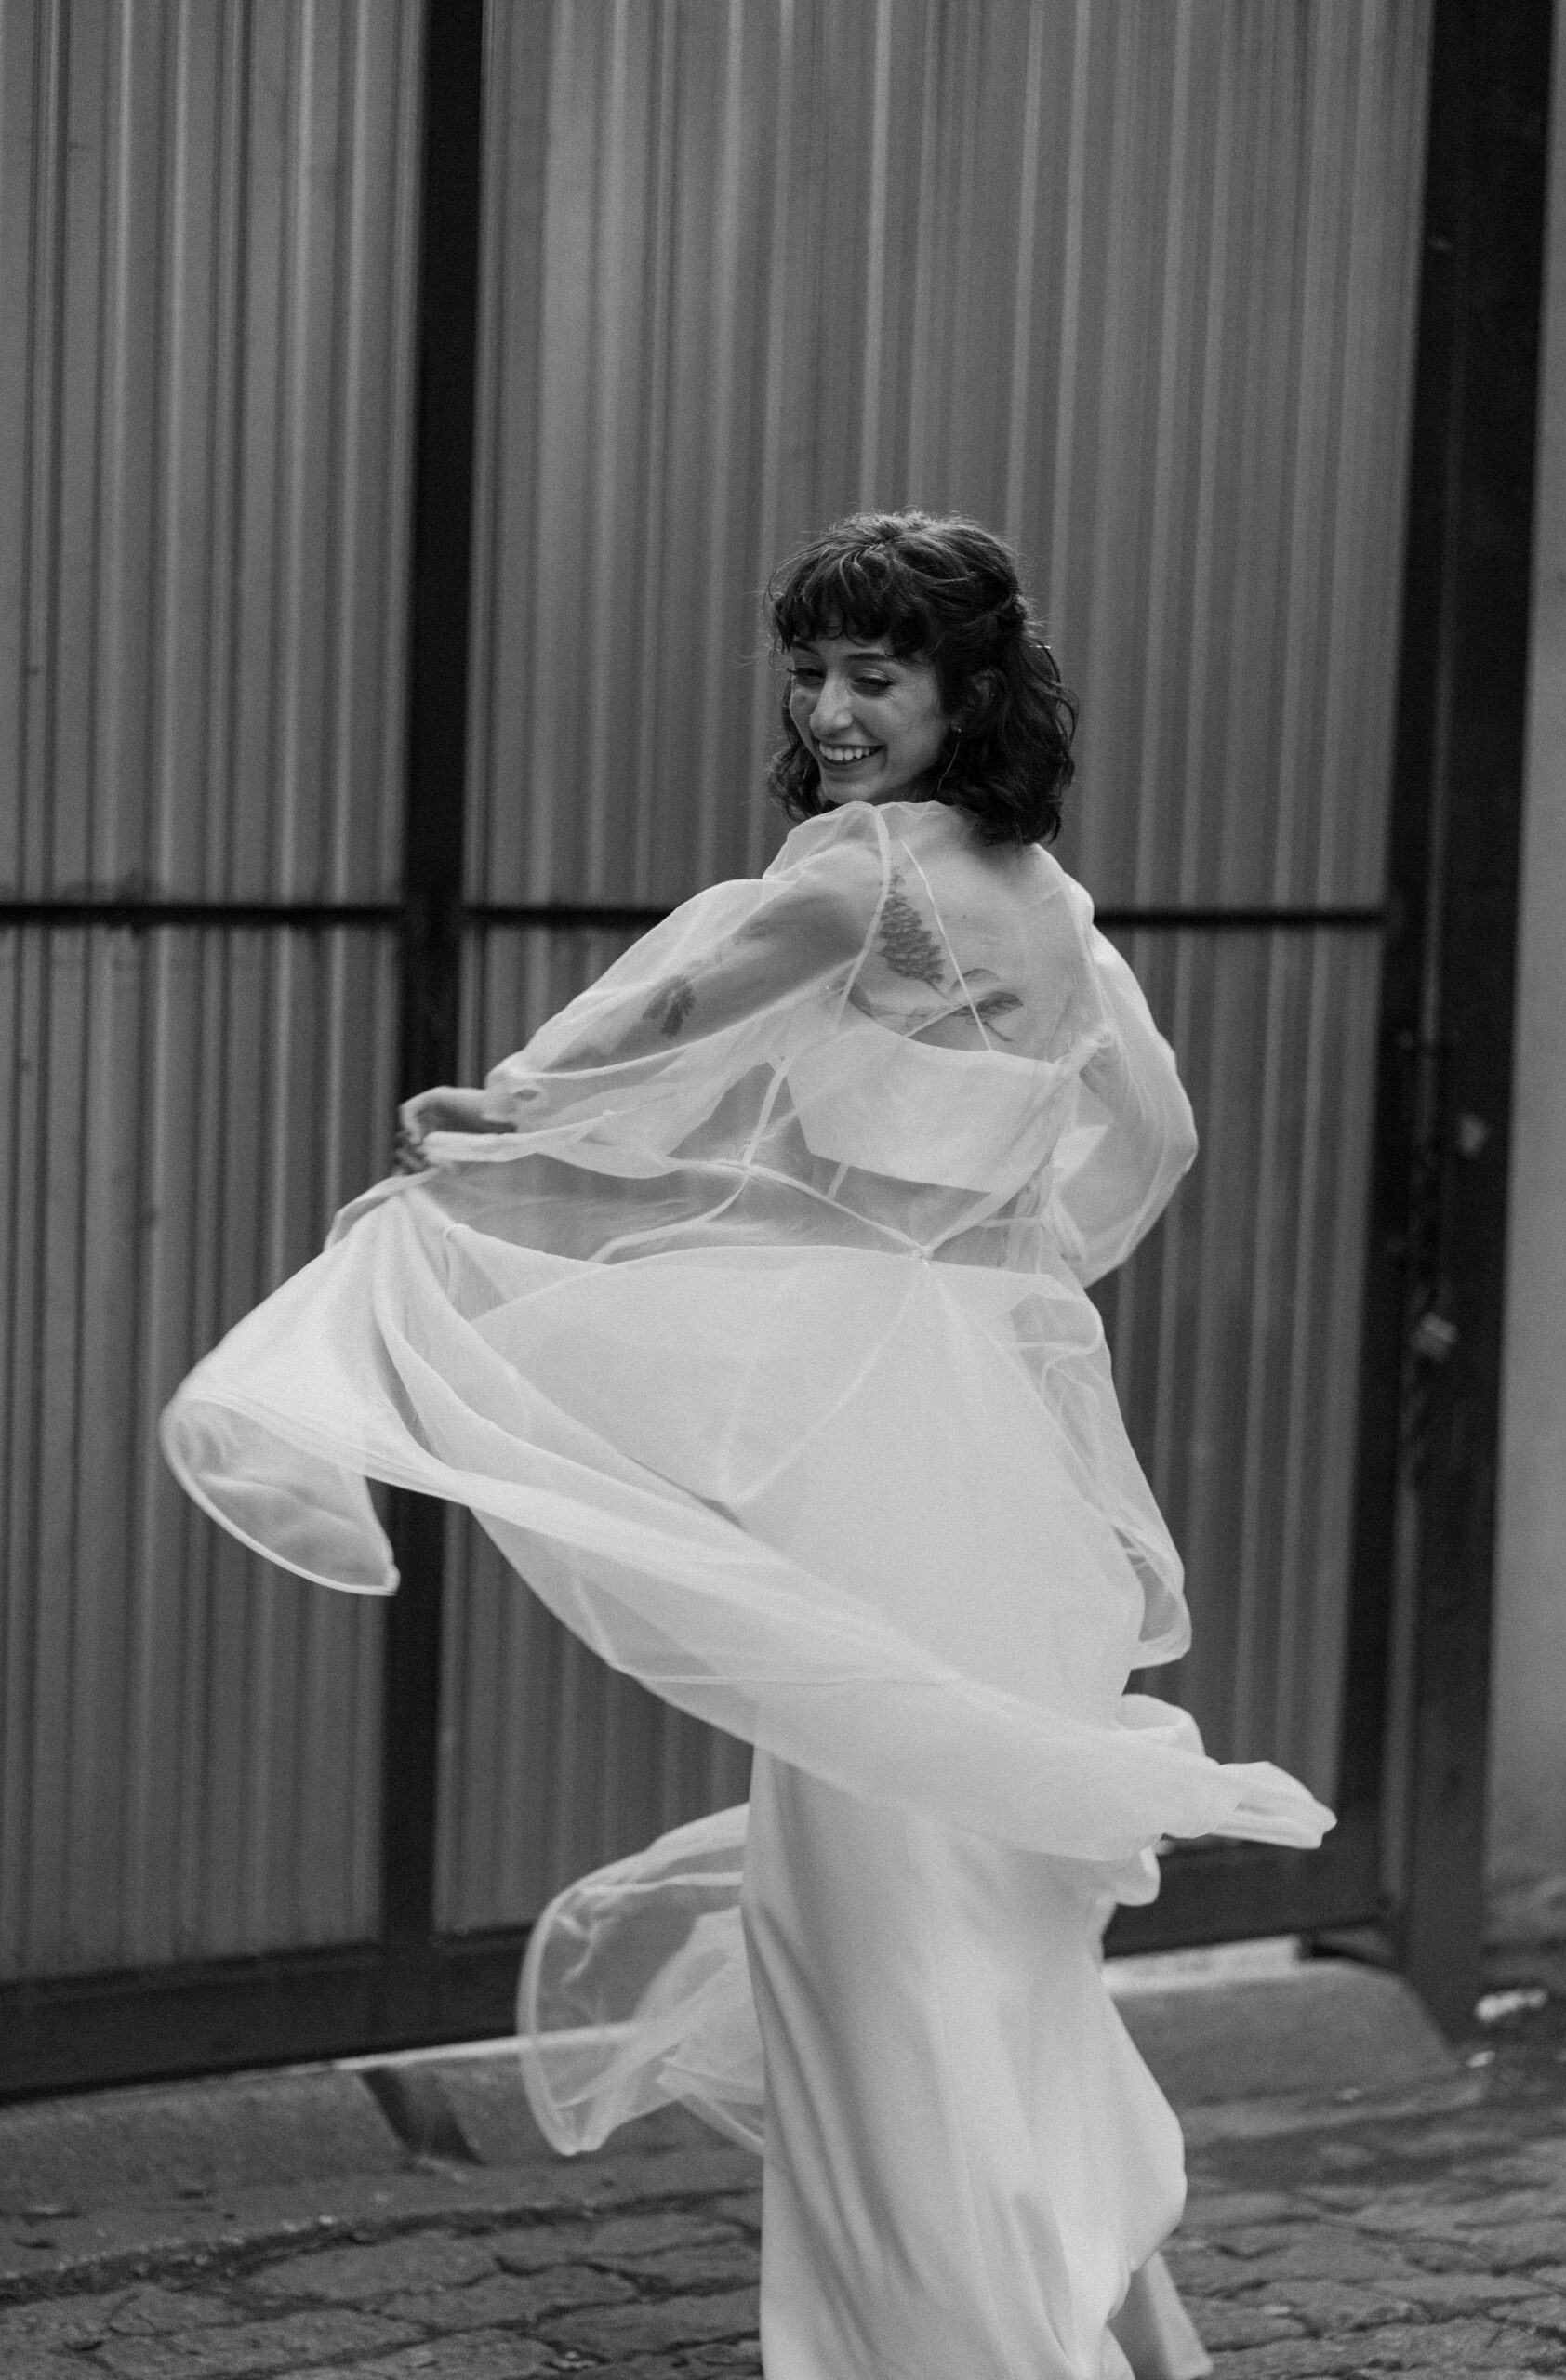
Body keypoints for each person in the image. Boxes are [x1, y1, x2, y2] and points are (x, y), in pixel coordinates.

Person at [163, 510, 1332, 2380]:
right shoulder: (1048, 904)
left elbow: (679, 1006)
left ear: (962, 686)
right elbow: (1156, 1137)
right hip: (1004, 1437)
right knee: (984, 1903)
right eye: (811, 667)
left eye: (876, 670)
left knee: (863, 1925)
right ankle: (1129, 2328)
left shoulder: (858, 873)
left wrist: (505, 1107)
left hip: (888, 1448)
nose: (831, 704)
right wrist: (1001, 1274)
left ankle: (953, 2343)